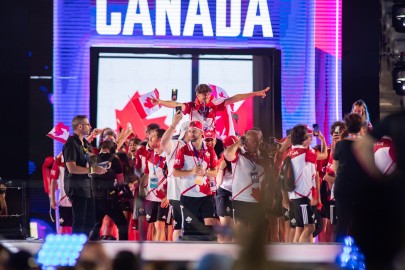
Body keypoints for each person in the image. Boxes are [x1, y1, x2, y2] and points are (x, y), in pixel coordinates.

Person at [152, 84, 270, 131]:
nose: (206, 97)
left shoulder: (215, 104)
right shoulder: (191, 106)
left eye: (208, 94)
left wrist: (255, 94)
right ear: (197, 95)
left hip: (211, 138)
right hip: (194, 135)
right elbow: (176, 104)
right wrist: (160, 102)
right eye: (203, 94)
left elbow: (236, 98)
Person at [173, 120, 218, 239]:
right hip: (188, 196)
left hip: (206, 195)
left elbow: (215, 171)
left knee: (209, 227)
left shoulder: (209, 150)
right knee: (189, 231)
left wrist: (206, 172)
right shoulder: (183, 150)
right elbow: (175, 172)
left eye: (194, 131)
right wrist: (192, 171)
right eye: (189, 131)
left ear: (201, 132)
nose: (191, 134)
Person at [63, 115, 107, 236]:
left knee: (90, 220)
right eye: (88, 124)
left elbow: (92, 160)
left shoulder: (84, 142)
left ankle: (83, 245)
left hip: (87, 187)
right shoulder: (71, 143)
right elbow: (71, 168)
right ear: (80, 126)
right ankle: (75, 248)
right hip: (77, 188)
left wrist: (99, 167)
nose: (90, 126)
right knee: (80, 220)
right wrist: (93, 169)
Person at [333, 113, 370, 242]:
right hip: (361, 186)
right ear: (361, 126)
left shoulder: (340, 144)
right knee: (360, 222)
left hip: (343, 185)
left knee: (342, 222)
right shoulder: (367, 144)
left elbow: (335, 168)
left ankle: (338, 256)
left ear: (347, 127)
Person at [160, 111, 191, 241]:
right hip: (177, 193)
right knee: (179, 226)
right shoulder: (175, 144)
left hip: (195, 192)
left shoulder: (200, 147)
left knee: (191, 227)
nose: (196, 133)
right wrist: (174, 124)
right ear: (186, 131)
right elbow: (163, 144)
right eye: (192, 130)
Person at [89, 140, 128, 241]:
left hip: (94, 197)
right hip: (109, 198)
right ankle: (124, 248)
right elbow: (120, 181)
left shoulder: (92, 159)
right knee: (122, 224)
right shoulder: (114, 160)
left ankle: (90, 249)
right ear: (112, 149)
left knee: (96, 225)